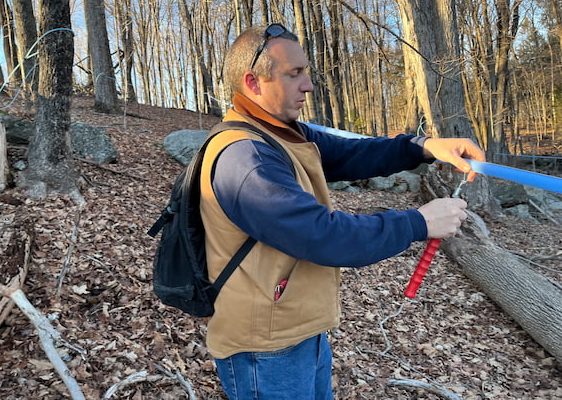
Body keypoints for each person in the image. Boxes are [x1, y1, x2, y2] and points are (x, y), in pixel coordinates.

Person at [199, 23, 486, 399]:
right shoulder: (245, 157)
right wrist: (419, 222)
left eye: (307, 72)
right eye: (294, 74)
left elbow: (354, 153)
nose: (308, 85)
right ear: (253, 83)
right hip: (265, 350)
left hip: (297, 329)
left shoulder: (284, 134)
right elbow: (325, 236)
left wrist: (425, 146)